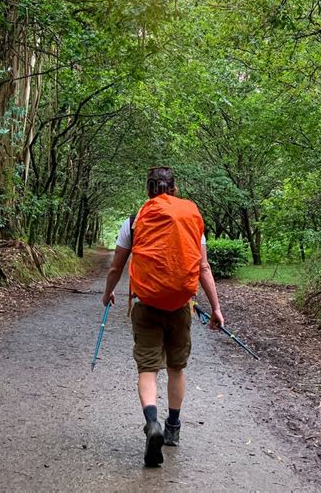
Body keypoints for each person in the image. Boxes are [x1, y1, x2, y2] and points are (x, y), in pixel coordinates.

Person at [102, 166, 224, 467]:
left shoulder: (135, 219)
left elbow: (116, 267)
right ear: (175, 189)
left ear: (148, 190)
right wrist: (216, 307)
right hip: (181, 305)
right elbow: (204, 268)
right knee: (176, 368)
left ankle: (152, 421)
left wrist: (108, 293)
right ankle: (172, 428)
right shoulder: (192, 219)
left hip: (145, 304)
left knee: (147, 368)